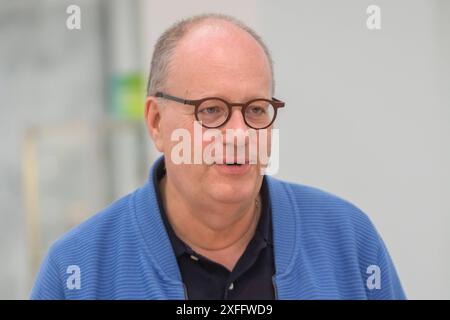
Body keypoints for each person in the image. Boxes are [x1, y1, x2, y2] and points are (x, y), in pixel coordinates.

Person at [31, 13, 405, 299]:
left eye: (257, 109)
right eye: (211, 110)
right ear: (156, 121)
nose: (240, 135)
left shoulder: (349, 241)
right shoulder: (78, 271)